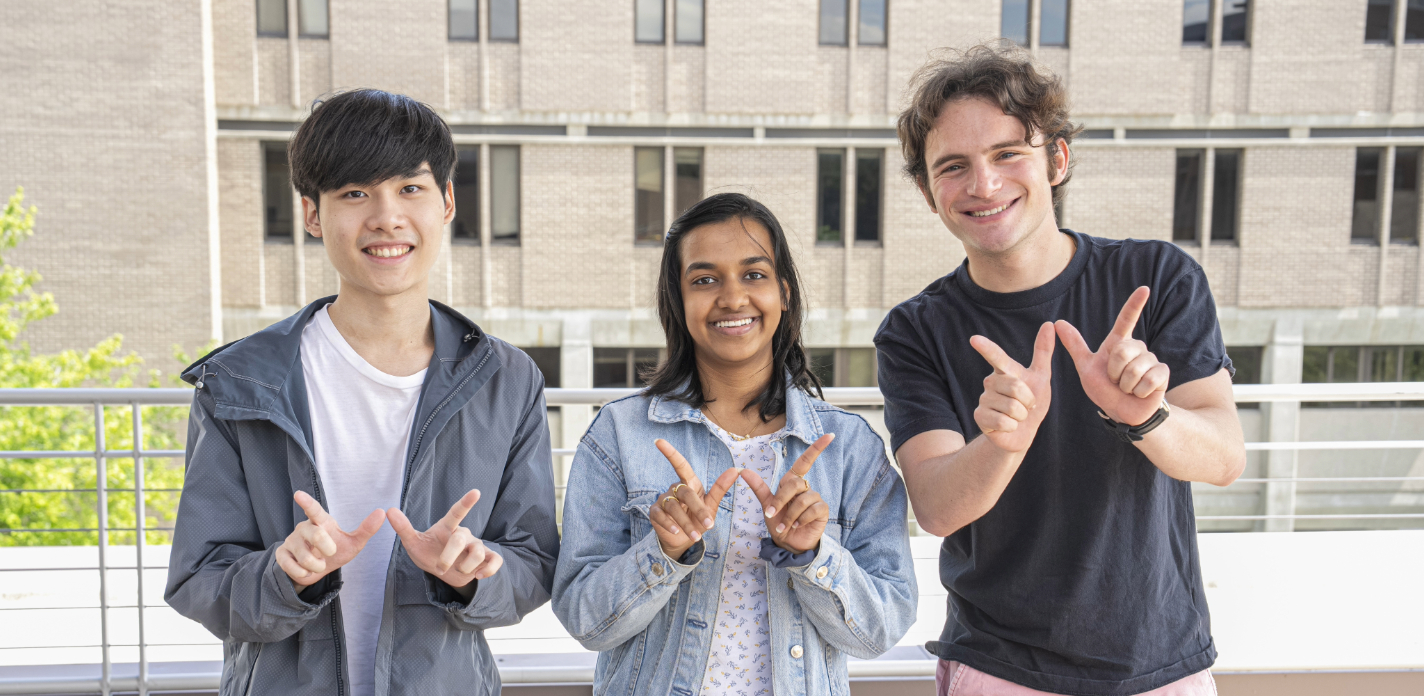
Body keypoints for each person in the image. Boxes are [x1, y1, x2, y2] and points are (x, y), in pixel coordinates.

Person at [875, 45, 1247, 696]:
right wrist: (1002, 444)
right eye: (953, 166)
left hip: (1162, 667)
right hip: (1000, 670)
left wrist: (1147, 416)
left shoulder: (1157, 279)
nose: (983, 185)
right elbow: (935, 507)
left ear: (1057, 159)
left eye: (1007, 154)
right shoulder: (914, 331)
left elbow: (1223, 457)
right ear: (929, 192)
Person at [164, 89, 559, 696]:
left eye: (410, 188)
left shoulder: (506, 380)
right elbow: (198, 579)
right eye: (355, 193)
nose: (386, 217)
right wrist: (283, 575)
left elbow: (532, 564)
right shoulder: (241, 381)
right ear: (312, 214)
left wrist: (470, 576)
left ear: (447, 201)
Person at [552, 193, 916, 695]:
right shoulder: (619, 434)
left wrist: (812, 555)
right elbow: (584, 620)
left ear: (783, 292)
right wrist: (663, 551)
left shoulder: (849, 447)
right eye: (704, 280)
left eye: (754, 274)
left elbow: (880, 631)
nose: (731, 298)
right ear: (678, 302)